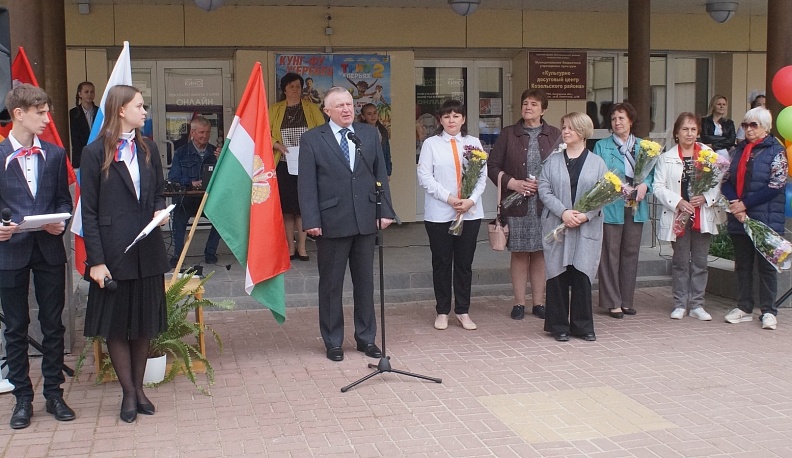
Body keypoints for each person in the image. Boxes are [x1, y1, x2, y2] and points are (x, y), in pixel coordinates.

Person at [80, 85, 171, 423]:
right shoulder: (93, 153)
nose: (145, 111)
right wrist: (97, 260)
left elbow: (159, 191)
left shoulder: (148, 148)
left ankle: (141, 390)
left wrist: (160, 211)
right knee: (117, 326)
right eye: (140, 106)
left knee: (144, 322)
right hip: (112, 252)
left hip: (147, 249)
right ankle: (129, 393)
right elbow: (88, 212)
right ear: (121, 110)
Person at [298, 87, 394, 362]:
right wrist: (312, 220)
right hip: (330, 222)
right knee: (331, 284)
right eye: (339, 105)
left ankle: (366, 338)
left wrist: (384, 210)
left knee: (365, 283)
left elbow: (380, 175)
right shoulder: (312, 139)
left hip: (365, 219)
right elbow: (306, 185)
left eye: (349, 104)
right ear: (327, 111)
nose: (346, 109)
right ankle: (333, 340)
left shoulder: (367, 134)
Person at [0, 84, 74, 429]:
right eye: (41, 112)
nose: (47, 118)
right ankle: (22, 399)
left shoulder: (56, 155)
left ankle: (54, 394)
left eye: (47, 111)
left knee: (52, 324)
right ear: (19, 114)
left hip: (47, 249)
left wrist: (59, 221)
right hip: (9, 251)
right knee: (15, 328)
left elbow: (64, 201)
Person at [488, 88, 561, 321]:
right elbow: (492, 166)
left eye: (534, 104)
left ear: (543, 110)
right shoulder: (509, 134)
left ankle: (539, 303)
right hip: (516, 203)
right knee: (519, 253)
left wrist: (546, 184)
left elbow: (562, 167)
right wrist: (514, 183)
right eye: (525, 103)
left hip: (545, 204)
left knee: (540, 253)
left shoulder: (555, 135)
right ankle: (519, 302)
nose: (528, 107)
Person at [417, 100, 487, 331]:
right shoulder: (431, 144)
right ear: (440, 120)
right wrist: (449, 198)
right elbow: (425, 177)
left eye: (456, 116)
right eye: (447, 116)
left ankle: (463, 310)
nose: (452, 120)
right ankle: (442, 311)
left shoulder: (474, 142)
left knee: (464, 263)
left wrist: (470, 201)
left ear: (463, 119)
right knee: (442, 262)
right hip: (440, 213)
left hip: (469, 213)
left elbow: (481, 176)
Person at [538, 112, 606, 342]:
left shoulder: (597, 163)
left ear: (583, 131)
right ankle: (558, 325)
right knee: (557, 275)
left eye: (571, 128)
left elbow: (604, 195)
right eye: (564, 127)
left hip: (586, 228)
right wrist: (563, 212)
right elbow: (544, 190)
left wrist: (585, 216)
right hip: (558, 225)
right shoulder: (552, 161)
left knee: (582, 275)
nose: (565, 131)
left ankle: (582, 325)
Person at [721, 107, 787, 330]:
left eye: (753, 125)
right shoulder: (738, 150)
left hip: (764, 218)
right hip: (740, 217)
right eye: (746, 125)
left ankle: (768, 311)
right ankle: (744, 306)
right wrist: (735, 205)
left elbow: (776, 185)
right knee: (743, 264)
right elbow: (726, 181)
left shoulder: (775, 151)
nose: (748, 129)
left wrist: (745, 204)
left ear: (765, 128)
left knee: (766, 266)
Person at [654, 113, 723, 321]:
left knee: (700, 262)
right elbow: (657, 186)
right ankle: (679, 303)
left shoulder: (708, 155)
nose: (689, 133)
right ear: (677, 133)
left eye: (693, 129)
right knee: (681, 262)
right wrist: (678, 201)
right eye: (685, 129)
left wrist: (706, 197)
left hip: (702, 215)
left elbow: (719, 182)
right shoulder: (666, 158)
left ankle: (697, 304)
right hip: (679, 215)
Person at [593, 102, 652, 319]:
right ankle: (612, 301)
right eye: (614, 119)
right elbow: (599, 173)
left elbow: (653, 173)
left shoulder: (644, 146)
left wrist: (646, 185)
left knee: (630, 252)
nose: (617, 122)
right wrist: (617, 185)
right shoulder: (601, 145)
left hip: (637, 203)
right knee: (609, 253)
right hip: (612, 203)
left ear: (630, 121)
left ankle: (627, 300)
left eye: (621, 118)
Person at [270, 72, 325, 262]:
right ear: (284, 89)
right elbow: (263, 133)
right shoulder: (274, 109)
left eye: (298, 87)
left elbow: (322, 131)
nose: (295, 90)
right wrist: (276, 144)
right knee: (287, 208)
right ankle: (290, 246)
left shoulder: (311, 108)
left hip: (306, 164)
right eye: (292, 86)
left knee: (303, 207)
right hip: (284, 164)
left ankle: (302, 246)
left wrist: (309, 147)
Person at [167, 116, 222, 266]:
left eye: (208, 132)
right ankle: (178, 255)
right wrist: (191, 183)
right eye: (201, 132)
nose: (205, 136)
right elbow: (173, 177)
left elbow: (224, 178)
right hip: (187, 199)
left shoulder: (215, 152)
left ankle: (210, 253)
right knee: (178, 219)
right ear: (193, 133)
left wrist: (222, 161)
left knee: (221, 218)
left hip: (207, 199)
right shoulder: (181, 152)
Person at [68, 81, 97, 168]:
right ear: (80, 94)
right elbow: (75, 139)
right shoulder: (73, 113)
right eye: (86, 92)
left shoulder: (99, 112)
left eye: (92, 92)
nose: (89, 94)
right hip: (80, 155)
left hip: (97, 154)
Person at [359, 103, 392, 178]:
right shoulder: (359, 131)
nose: (373, 116)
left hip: (380, 168)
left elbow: (387, 152)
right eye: (369, 114)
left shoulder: (382, 130)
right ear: (363, 117)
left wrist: (388, 172)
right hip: (365, 170)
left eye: (374, 113)